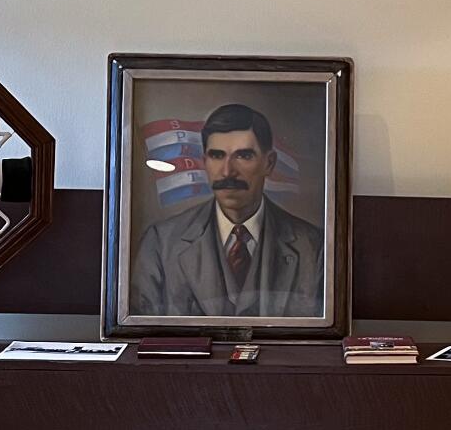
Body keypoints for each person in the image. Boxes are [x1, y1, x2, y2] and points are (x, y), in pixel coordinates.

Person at [128, 102, 325, 320]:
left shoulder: (312, 248)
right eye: (217, 155)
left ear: (269, 163)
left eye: (243, 156)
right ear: (204, 162)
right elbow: (140, 331)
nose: (227, 171)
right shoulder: (161, 243)